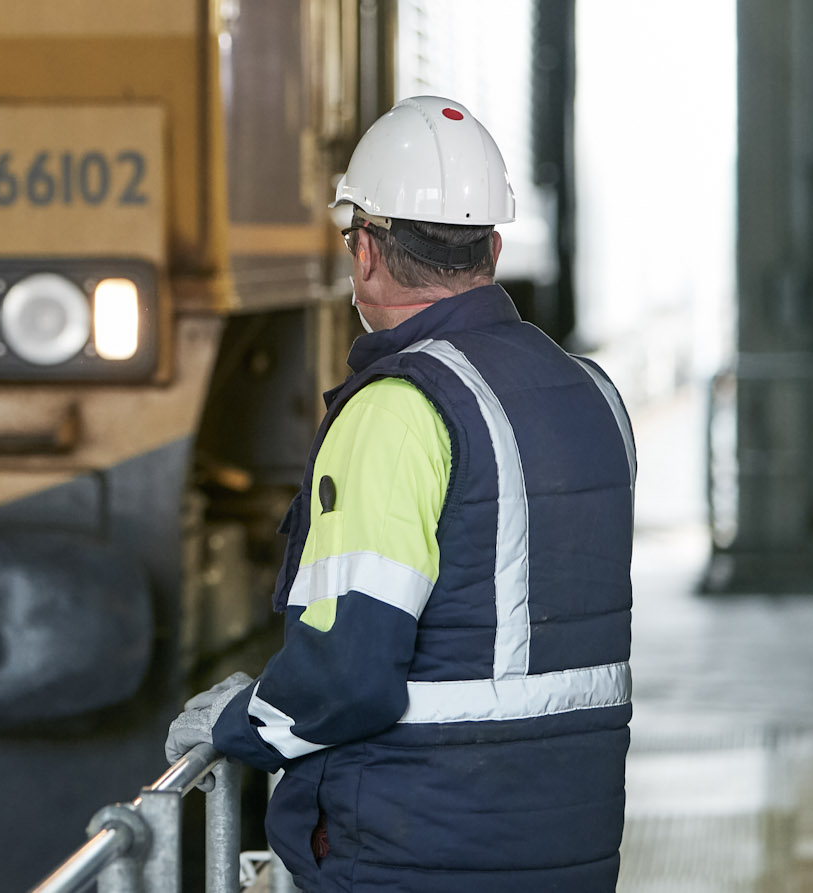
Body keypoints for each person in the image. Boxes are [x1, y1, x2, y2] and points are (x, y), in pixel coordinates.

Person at [167, 96, 637, 892]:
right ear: (491, 245)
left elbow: (347, 674)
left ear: (365, 253)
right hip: (566, 849)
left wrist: (235, 721)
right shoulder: (593, 394)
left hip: (416, 852)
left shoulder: (399, 408)